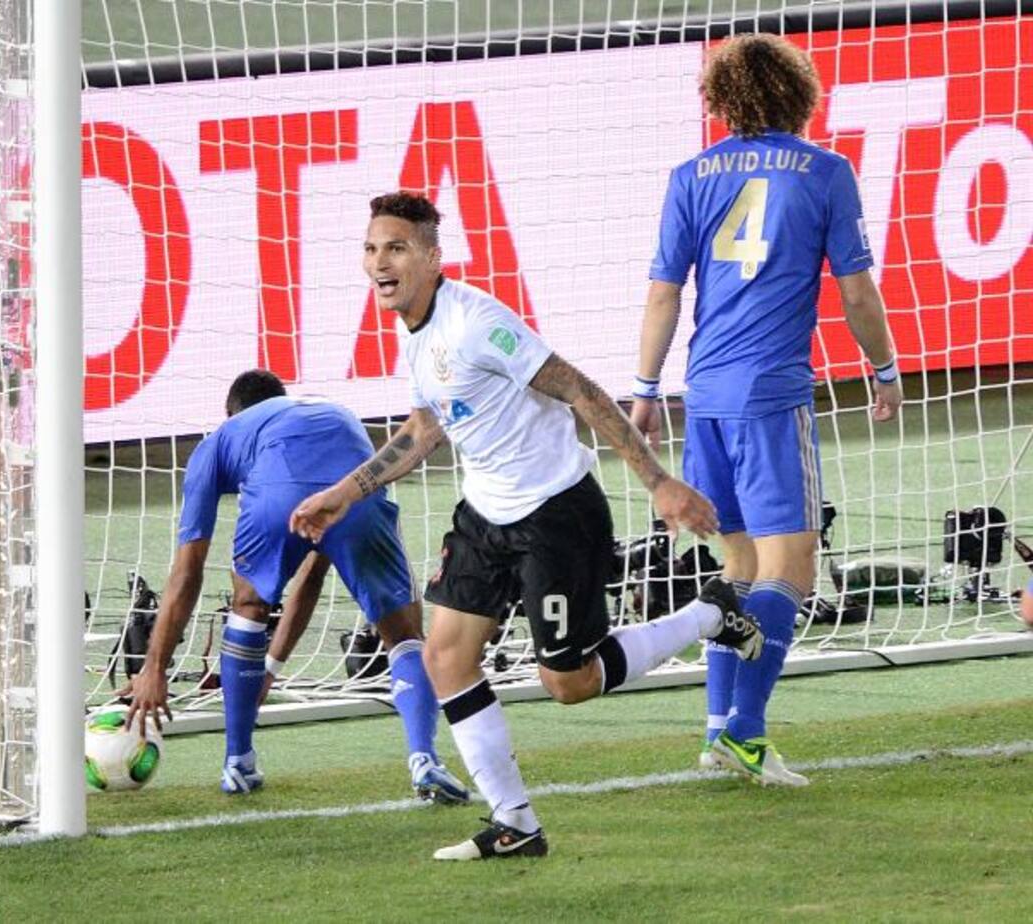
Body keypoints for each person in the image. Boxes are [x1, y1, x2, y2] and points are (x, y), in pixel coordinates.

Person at [290, 192, 765, 861]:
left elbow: (578, 389)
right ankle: (516, 823)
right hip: (484, 515)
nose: (379, 263)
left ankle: (711, 615)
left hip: (555, 513)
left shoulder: (477, 322)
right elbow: (426, 427)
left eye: (395, 248)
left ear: (431, 256)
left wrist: (658, 480)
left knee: (567, 683)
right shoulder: (416, 334)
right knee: (445, 657)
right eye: (371, 249)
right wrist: (344, 492)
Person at [632, 34, 903, 786]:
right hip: (772, 395)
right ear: (797, 92)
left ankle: (717, 730)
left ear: (722, 100)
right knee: (793, 570)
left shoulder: (692, 175)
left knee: (739, 568)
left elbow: (664, 292)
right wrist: (882, 369)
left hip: (705, 392)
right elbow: (855, 290)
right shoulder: (825, 172)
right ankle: (747, 732)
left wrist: (647, 391)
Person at [123, 369, 469, 805]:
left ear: (229, 414)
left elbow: (186, 573)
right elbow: (313, 572)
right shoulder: (325, 412)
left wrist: (155, 668)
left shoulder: (219, 442)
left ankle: (238, 762)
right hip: (358, 483)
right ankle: (424, 759)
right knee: (402, 636)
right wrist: (271, 666)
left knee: (247, 607)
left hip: (274, 494)